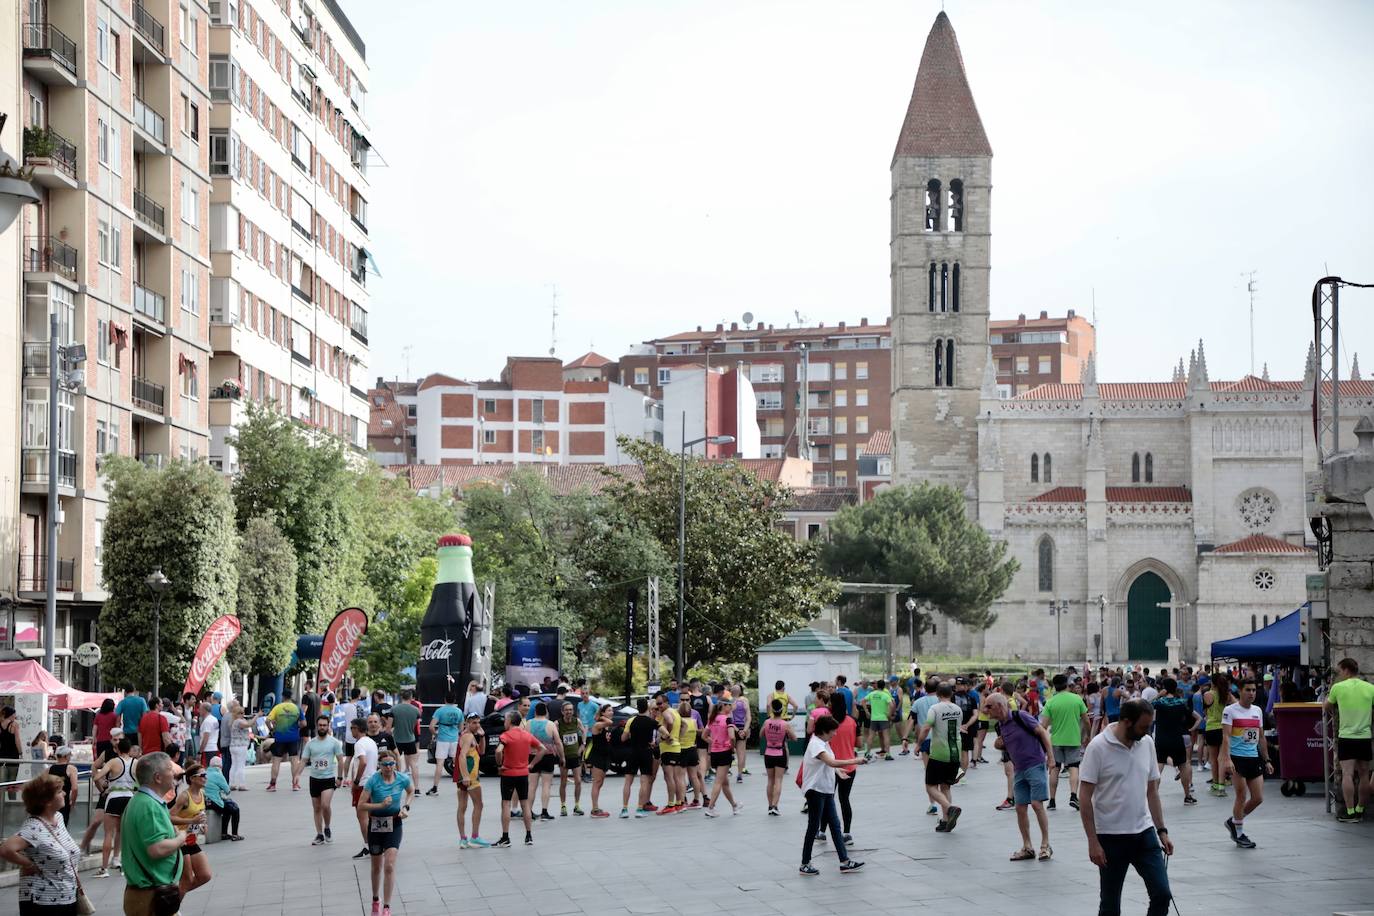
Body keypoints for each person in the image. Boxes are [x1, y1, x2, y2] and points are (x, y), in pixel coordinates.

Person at [1079, 698, 1174, 916]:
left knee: (1162, 894)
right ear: (1126, 721)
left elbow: (1152, 791)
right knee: (1110, 905)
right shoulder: (1098, 747)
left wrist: (1162, 830)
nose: (1146, 731)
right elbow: (1085, 797)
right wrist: (1093, 842)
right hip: (1110, 837)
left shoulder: (1147, 743)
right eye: (1143, 726)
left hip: (1144, 833)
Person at [0, 773, 83, 915]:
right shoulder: (33, 828)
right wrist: (29, 865)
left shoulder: (58, 817)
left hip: (67, 896)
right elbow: (5, 849)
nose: (64, 793)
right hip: (43, 902)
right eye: (59, 791)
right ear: (46, 801)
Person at [798, 715, 867, 876]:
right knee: (813, 826)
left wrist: (838, 770)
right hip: (816, 791)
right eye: (833, 731)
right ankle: (805, 863)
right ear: (824, 731)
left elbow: (829, 763)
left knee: (835, 826)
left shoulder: (823, 743)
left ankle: (844, 862)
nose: (835, 734)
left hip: (826, 790)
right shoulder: (816, 744)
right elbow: (830, 762)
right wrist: (855, 760)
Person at [987, 692, 1053, 861]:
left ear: (1000, 706)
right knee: (1020, 807)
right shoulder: (1001, 725)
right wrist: (998, 744)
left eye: (989, 706)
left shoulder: (1021, 716)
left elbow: (1043, 733)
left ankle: (1045, 845)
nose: (986, 710)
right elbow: (1008, 743)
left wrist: (1051, 758)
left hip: (1035, 764)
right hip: (1019, 770)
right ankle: (1027, 846)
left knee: (1037, 804)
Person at [120, 752, 187, 916]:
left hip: (153, 894)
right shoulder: (148, 806)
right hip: (152, 898)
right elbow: (156, 849)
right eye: (170, 770)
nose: (175, 774)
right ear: (158, 777)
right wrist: (180, 838)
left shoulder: (144, 801)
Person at [358, 749, 412, 916]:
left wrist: (406, 807)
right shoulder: (373, 781)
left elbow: (411, 791)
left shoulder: (402, 778)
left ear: (395, 764)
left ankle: (387, 907)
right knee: (376, 867)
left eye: (391, 764)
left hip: (394, 824)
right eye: (385, 764)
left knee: (389, 865)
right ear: (379, 765)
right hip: (375, 825)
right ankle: (376, 900)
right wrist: (380, 805)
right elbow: (361, 805)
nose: (388, 767)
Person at [1220, 679, 1272, 848]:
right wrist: (1226, 759)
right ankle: (1240, 834)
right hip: (1237, 758)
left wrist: (1267, 760)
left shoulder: (1257, 710)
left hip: (1253, 757)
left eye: (1254, 690)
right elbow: (1226, 737)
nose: (1252, 693)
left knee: (1257, 798)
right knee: (1241, 796)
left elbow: (1261, 737)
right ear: (1240, 691)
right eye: (1248, 690)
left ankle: (1234, 821)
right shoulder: (1230, 711)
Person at [1324, 657, 1374, 823]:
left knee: (1347, 774)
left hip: (1346, 737)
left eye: (1339, 672)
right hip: (1365, 737)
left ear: (1346, 670)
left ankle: (1350, 812)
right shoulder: (1370, 688)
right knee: (1364, 774)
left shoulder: (1338, 688)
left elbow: (1327, 706)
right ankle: (1361, 809)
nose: (1339, 675)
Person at [916, 683, 963, 833]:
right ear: (951, 694)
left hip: (939, 753)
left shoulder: (934, 709)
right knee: (945, 786)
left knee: (930, 786)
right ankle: (945, 820)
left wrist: (918, 744)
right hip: (955, 753)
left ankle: (950, 809)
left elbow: (926, 728)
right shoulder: (958, 709)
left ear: (937, 694)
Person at [1041, 673, 1089, 812]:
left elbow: (1043, 725)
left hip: (1056, 740)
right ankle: (1073, 796)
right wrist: (1087, 735)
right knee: (1074, 767)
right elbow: (1086, 720)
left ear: (1054, 686)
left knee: (1055, 768)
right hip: (1074, 739)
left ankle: (1052, 801)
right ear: (1067, 684)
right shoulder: (1077, 699)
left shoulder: (1050, 702)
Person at [495, 710, 544, 846]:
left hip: (508, 773)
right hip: (523, 773)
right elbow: (542, 748)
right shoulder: (527, 735)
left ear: (510, 721)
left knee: (506, 803)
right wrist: (532, 764)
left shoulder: (505, 735)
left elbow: (498, 750)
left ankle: (505, 837)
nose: (504, 722)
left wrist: (500, 764)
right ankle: (528, 836)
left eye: (505, 720)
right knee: (525, 804)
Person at [1151, 677, 1201, 806]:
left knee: (1158, 767)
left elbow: (1145, 706)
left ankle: (1152, 797)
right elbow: (1194, 716)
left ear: (1164, 688)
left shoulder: (1160, 702)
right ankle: (1187, 796)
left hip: (1161, 739)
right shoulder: (1181, 702)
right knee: (1183, 766)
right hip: (1177, 738)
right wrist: (1192, 728)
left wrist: (1157, 695)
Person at [92, 736, 136, 877]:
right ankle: (123, 864)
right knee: (124, 833)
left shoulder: (113, 762)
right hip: (130, 798)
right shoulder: (137, 763)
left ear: (117, 749)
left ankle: (104, 869)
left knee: (108, 833)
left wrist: (103, 790)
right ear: (130, 749)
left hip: (114, 797)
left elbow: (97, 777)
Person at [168, 763, 213, 896]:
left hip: (192, 840)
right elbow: (169, 817)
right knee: (186, 880)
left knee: (205, 876)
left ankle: (170, 899)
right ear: (192, 778)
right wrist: (191, 821)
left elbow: (200, 813)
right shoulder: (184, 796)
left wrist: (202, 825)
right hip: (180, 842)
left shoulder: (202, 793)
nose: (206, 778)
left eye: (206, 775)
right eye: (203, 775)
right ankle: (171, 907)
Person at [302, 715, 344, 846]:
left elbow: (341, 760)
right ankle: (320, 834)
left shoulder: (334, 742)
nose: (322, 727)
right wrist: (296, 775)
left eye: (324, 725)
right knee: (316, 808)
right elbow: (303, 760)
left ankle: (327, 827)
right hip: (314, 779)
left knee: (325, 805)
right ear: (316, 726)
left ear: (328, 726)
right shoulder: (310, 743)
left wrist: (340, 777)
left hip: (328, 778)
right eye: (320, 725)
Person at [348, 717, 381, 861]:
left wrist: (355, 781)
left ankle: (369, 846)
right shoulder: (371, 742)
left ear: (357, 728)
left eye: (352, 728)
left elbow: (363, 762)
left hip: (363, 784)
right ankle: (377, 843)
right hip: (373, 782)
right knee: (371, 816)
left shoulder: (359, 744)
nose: (351, 731)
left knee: (362, 817)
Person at [619, 698, 657, 818]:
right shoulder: (651, 721)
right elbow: (665, 733)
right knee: (644, 781)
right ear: (647, 708)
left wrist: (632, 735)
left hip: (632, 752)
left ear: (637, 708)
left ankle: (624, 809)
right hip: (646, 752)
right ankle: (640, 808)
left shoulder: (631, 720)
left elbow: (623, 738)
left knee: (628, 781)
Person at [456, 713, 489, 847]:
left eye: (478, 722)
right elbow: (462, 756)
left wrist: (482, 737)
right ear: (467, 723)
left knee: (462, 806)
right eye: (474, 723)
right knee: (478, 805)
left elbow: (481, 751)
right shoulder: (468, 736)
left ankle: (463, 839)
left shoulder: (470, 736)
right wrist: (466, 776)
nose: (477, 725)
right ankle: (474, 836)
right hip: (470, 777)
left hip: (465, 776)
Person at [703, 702, 742, 816]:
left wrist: (714, 742)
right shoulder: (727, 720)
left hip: (714, 754)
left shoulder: (712, 719)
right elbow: (732, 736)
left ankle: (734, 806)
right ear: (723, 707)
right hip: (724, 753)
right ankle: (710, 808)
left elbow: (704, 736)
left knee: (725, 783)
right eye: (729, 705)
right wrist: (732, 746)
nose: (731, 707)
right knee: (719, 782)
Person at [266, 688, 305, 792]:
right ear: (291, 697)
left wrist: (272, 730)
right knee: (294, 761)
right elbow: (304, 723)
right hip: (293, 738)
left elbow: (267, 720)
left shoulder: (277, 707)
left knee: (276, 761)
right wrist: (297, 728)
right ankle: (295, 784)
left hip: (280, 737)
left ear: (283, 696)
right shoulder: (297, 708)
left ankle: (273, 785)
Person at [759, 699, 794, 814]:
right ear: (782, 710)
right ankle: (775, 806)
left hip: (768, 753)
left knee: (770, 780)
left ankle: (769, 806)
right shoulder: (785, 724)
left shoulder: (767, 722)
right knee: (778, 780)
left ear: (772, 710)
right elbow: (794, 738)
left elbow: (761, 735)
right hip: (780, 753)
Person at [202, 756, 242, 841]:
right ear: (220, 766)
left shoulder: (205, 773)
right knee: (235, 809)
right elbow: (227, 790)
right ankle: (235, 834)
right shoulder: (218, 774)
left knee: (227, 809)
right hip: (214, 801)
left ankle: (223, 833)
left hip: (204, 802)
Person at [556, 702, 585, 816]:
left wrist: (583, 744)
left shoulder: (576, 721)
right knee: (563, 782)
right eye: (566, 710)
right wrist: (558, 751)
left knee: (578, 781)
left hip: (575, 755)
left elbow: (583, 731)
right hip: (564, 756)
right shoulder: (557, 723)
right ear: (562, 711)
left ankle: (577, 805)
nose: (569, 712)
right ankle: (563, 806)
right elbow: (553, 737)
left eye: (571, 710)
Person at [1203, 672, 1228, 795]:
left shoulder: (1208, 694)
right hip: (1223, 728)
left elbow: (1206, 712)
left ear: (1212, 682)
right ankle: (1222, 787)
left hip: (1211, 728)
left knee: (1213, 759)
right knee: (1222, 758)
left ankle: (1215, 785)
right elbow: (1236, 702)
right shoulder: (1225, 695)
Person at [388, 689, 421, 778]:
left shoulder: (394, 709)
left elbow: (388, 728)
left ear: (401, 697)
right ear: (411, 697)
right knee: (413, 764)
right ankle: (417, 788)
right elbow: (415, 724)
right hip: (410, 739)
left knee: (395, 761)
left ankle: (397, 781)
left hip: (397, 739)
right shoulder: (416, 710)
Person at [47, 747, 78, 827]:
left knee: (50, 826)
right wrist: (72, 802)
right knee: (62, 827)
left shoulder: (50, 769)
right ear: (66, 756)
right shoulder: (71, 768)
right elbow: (74, 788)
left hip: (50, 800)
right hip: (64, 801)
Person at [731, 685, 752, 781]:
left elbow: (728, 718)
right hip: (741, 727)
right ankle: (739, 774)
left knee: (730, 751)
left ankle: (726, 772)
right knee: (741, 752)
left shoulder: (729, 701)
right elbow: (748, 718)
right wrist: (744, 730)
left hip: (732, 728)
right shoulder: (744, 701)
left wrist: (738, 730)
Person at [94, 698, 119, 763]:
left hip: (100, 741)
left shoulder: (98, 716)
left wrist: (94, 739)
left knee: (100, 761)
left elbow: (95, 728)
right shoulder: (114, 716)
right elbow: (117, 727)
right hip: (110, 741)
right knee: (110, 761)